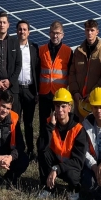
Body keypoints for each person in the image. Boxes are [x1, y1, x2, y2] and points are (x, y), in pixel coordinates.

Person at [37, 88, 86, 200]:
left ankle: (74, 190)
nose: (60, 110)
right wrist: (50, 127)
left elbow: (78, 161)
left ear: (70, 107)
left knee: (73, 176)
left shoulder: (78, 129)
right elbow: (40, 147)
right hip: (56, 162)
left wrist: (57, 169)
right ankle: (48, 189)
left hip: (70, 167)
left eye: (63, 106)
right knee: (43, 153)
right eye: (57, 106)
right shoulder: (50, 122)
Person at [37, 21, 73, 162]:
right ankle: (43, 151)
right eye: (52, 32)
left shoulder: (68, 51)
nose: (55, 35)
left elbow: (70, 73)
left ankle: (59, 152)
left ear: (62, 35)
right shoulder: (41, 50)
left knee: (61, 124)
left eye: (58, 33)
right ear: (49, 33)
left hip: (60, 96)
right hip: (45, 93)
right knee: (44, 124)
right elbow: (37, 70)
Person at [69, 19, 101, 120]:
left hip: (97, 102)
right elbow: (72, 73)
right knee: (79, 130)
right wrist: (75, 92)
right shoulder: (78, 51)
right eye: (87, 30)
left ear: (97, 31)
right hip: (79, 101)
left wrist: (93, 94)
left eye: (92, 30)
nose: (89, 33)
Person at [16, 20, 40, 159]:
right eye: (20, 29)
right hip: (16, 90)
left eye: (25, 29)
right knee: (16, 121)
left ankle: (31, 150)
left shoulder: (34, 48)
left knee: (29, 122)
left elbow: (36, 71)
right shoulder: (12, 46)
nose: (22, 32)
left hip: (30, 90)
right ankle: (18, 148)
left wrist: (37, 92)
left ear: (28, 32)